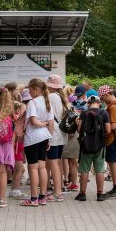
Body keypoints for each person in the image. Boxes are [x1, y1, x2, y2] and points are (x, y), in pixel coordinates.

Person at [22, 78, 54, 206]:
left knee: (33, 168)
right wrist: (49, 138)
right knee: (42, 167)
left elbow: (34, 122)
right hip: (45, 137)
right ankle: (43, 196)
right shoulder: (47, 102)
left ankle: (34, 198)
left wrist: (42, 124)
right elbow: (51, 124)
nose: (29, 92)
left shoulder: (32, 103)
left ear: (35, 88)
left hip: (32, 138)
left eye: (29, 90)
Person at [74, 95, 109, 201]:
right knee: (99, 170)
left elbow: (79, 129)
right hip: (100, 145)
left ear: (89, 103)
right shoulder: (104, 113)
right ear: (99, 103)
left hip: (86, 146)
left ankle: (82, 194)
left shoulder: (84, 113)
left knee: (84, 170)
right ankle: (100, 194)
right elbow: (108, 130)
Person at [45, 74, 70, 202]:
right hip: (61, 133)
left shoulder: (50, 97)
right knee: (58, 162)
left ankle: (57, 192)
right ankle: (59, 189)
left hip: (53, 133)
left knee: (53, 161)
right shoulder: (62, 97)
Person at [100, 85, 116, 199]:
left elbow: (114, 125)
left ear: (106, 94)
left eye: (102, 98)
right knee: (114, 162)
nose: (102, 100)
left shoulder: (113, 107)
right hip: (115, 138)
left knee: (114, 163)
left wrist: (102, 126)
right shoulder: (114, 105)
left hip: (114, 138)